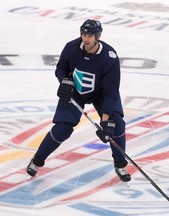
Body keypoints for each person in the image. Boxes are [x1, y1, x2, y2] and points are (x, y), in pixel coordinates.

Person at [26, 19, 131, 182]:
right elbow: (61, 68)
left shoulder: (109, 57)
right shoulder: (71, 48)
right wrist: (64, 81)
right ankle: (37, 160)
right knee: (63, 128)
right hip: (75, 91)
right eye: (84, 34)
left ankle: (120, 164)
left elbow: (111, 92)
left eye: (90, 35)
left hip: (101, 93)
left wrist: (105, 122)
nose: (86, 38)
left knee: (115, 124)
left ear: (98, 36)